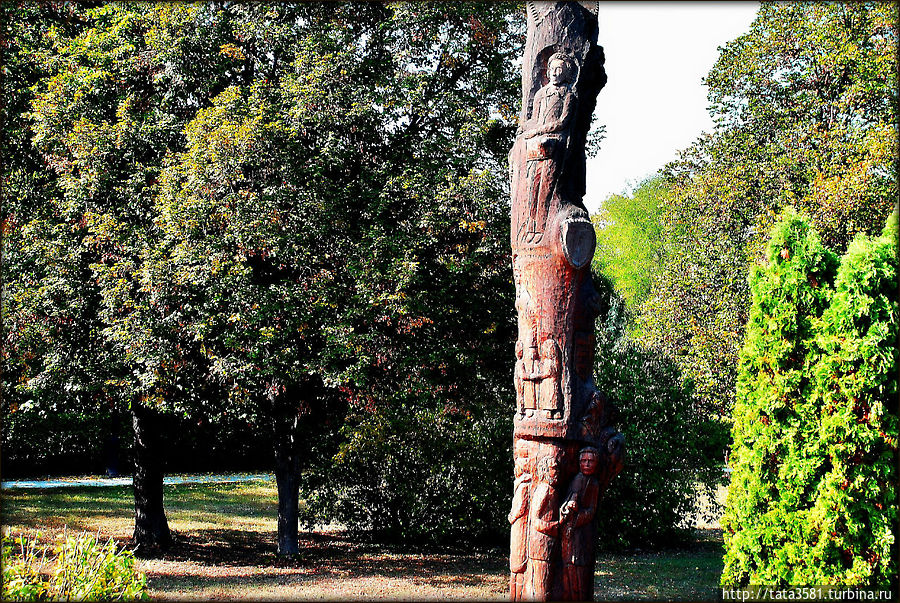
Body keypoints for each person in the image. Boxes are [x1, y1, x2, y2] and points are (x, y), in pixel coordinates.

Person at [518, 53, 577, 245]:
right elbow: (534, 119)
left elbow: (563, 122)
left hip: (555, 145)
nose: (555, 73)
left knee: (546, 188)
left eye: (559, 70)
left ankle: (542, 228)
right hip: (536, 145)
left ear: (566, 73)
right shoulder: (541, 94)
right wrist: (525, 128)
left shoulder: (568, 95)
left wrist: (539, 130)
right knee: (532, 188)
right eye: (552, 69)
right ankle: (530, 227)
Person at [560, 447, 601, 601]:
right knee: (568, 566)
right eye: (584, 461)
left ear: (596, 463)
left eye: (590, 461)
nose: (587, 464)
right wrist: (568, 506)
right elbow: (565, 502)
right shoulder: (576, 479)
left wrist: (578, 517)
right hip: (568, 532)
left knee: (581, 568)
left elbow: (591, 510)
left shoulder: (594, 483)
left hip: (583, 532)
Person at [527, 454, 562, 600]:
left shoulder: (551, 490)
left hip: (548, 542)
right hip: (541, 543)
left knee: (547, 583)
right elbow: (535, 521)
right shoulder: (544, 490)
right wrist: (555, 525)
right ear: (545, 470)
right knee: (541, 585)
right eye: (554, 468)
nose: (557, 471)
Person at [508, 440, 532, 600]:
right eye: (517, 456)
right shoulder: (521, 482)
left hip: (521, 525)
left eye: (523, 457)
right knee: (515, 565)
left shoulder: (524, 485)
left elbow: (520, 507)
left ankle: (519, 595)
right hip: (518, 525)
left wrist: (512, 516)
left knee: (519, 564)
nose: (518, 461)